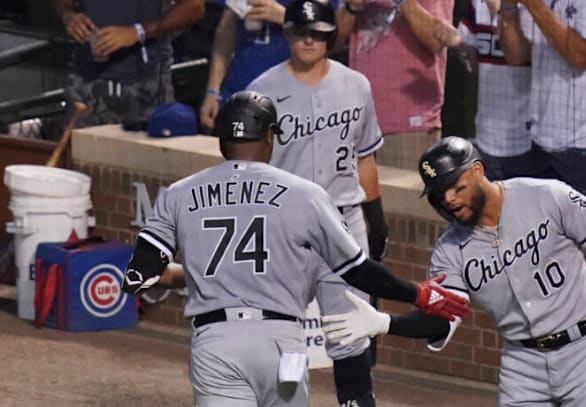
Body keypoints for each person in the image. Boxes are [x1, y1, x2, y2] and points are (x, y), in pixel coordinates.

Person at [120, 91, 468, 407]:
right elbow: (357, 270)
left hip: (215, 343)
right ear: (269, 136)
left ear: (222, 137)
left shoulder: (180, 193)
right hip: (280, 342)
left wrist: (196, 274)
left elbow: (142, 275)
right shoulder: (304, 193)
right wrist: (418, 294)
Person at [323, 136, 586, 407]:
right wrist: (384, 322)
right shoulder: (450, 251)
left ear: (477, 171)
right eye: (439, 193)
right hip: (521, 363)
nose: (448, 199)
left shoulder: (546, 196)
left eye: (455, 186)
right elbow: (440, 321)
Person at [246, 0, 388, 406]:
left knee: (350, 328)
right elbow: (251, 166)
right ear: (287, 34)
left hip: (344, 221)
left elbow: (366, 158)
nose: (308, 40)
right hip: (284, 226)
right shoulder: (262, 91)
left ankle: (356, 402)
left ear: (330, 36)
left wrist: (375, 218)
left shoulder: (356, 85)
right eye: (299, 32)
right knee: (280, 330)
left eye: (317, 33)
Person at [497, 0, 586, 201]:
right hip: (541, 140)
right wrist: (508, 5)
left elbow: (579, 53)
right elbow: (517, 56)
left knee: (583, 233)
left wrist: (532, 1)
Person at [52, 0, 205, 128]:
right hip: (85, 79)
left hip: (143, 83)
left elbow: (194, 4)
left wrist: (138, 32)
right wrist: (69, 15)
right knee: (81, 153)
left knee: (145, 154)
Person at [336, 0, 454, 170]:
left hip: (408, 126)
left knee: (404, 198)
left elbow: (437, 41)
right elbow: (333, 41)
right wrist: (352, 7)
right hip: (357, 122)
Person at [198, 0, 340, 129]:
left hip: (296, 95)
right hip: (241, 90)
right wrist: (213, 91)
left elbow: (334, 35)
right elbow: (226, 32)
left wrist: (286, 17)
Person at [434, 0, 533, 180]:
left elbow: (531, 59)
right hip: (486, 137)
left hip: (528, 142)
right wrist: (459, 46)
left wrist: (501, 18)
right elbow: (478, 65)